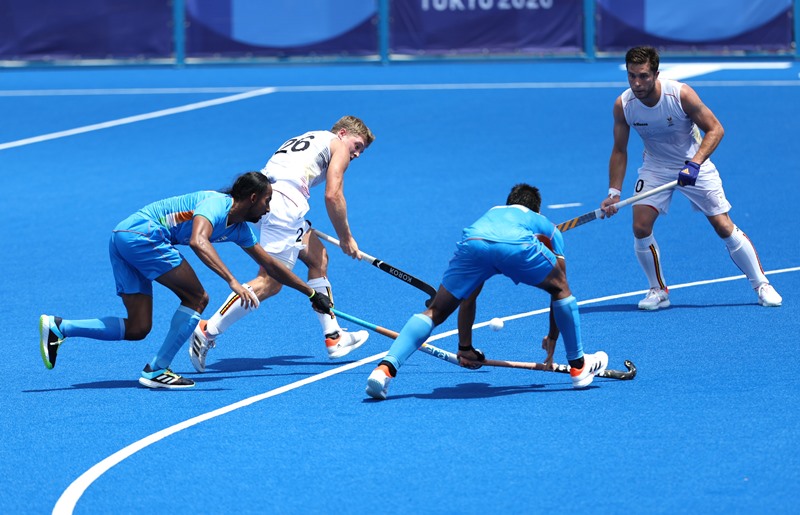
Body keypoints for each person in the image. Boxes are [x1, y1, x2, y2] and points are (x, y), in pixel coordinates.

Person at [39, 172, 333, 389]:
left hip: (123, 238)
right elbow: (197, 240)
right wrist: (232, 281)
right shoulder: (216, 204)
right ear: (253, 198)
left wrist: (310, 294)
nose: (268, 210)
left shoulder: (240, 229)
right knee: (197, 298)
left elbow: (270, 265)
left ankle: (60, 327)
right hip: (144, 236)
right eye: (267, 202)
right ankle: (157, 369)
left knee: (138, 327)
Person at [366, 183, 608, 400]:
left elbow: (468, 297)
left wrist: (465, 348)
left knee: (436, 311)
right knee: (561, 288)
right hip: (518, 246)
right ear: (536, 209)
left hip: (474, 242)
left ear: (509, 203)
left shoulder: (492, 214)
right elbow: (560, 289)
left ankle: (385, 369)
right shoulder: (545, 225)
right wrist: (553, 338)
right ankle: (578, 366)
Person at [189, 115, 375, 372]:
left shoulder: (311, 136)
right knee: (270, 282)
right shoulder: (338, 146)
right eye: (357, 146)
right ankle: (207, 330)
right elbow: (333, 195)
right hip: (285, 207)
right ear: (343, 133)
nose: (356, 154)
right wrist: (346, 237)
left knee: (318, 258)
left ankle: (334, 336)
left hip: (269, 200)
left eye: (361, 152)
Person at [601, 46, 781, 310]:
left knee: (722, 225)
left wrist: (694, 165)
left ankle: (761, 284)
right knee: (640, 227)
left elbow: (715, 129)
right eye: (631, 76)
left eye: (643, 76)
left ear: (656, 74)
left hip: (694, 162)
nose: (637, 83)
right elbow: (619, 150)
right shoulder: (624, 105)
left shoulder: (680, 95)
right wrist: (614, 192)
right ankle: (658, 290)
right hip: (655, 166)